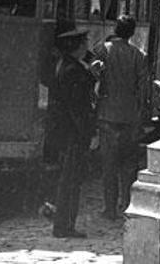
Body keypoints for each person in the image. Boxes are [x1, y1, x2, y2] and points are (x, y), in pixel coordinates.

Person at [90, 15, 150, 220]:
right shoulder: (139, 55)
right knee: (128, 165)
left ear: (115, 29)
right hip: (130, 117)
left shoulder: (103, 50)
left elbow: (94, 76)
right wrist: (142, 114)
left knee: (109, 165)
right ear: (132, 33)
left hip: (107, 115)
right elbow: (143, 90)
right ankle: (127, 203)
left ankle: (109, 208)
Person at [51, 23, 98, 238]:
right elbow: (79, 109)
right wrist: (89, 134)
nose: (87, 46)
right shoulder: (74, 71)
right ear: (78, 46)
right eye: (85, 43)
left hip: (66, 132)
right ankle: (64, 226)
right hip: (74, 135)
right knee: (71, 182)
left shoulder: (66, 65)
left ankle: (64, 224)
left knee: (68, 180)